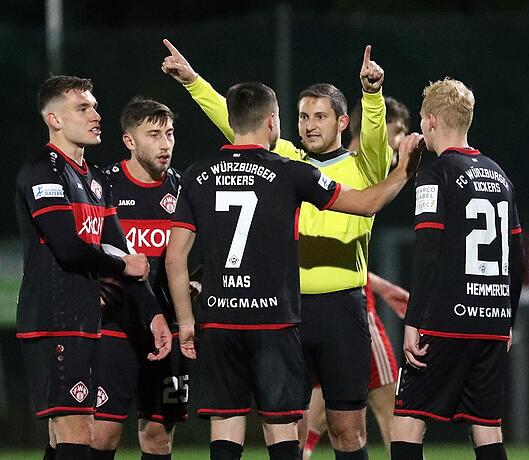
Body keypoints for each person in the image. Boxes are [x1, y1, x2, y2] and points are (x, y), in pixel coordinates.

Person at [164, 81, 422, 460]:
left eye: (320, 116)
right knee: (289, 425)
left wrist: (372, 94)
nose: (309, 125)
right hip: (287, 310)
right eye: (302, 116)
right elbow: (239, 123)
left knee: (348, 428)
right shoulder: (287, 163)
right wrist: (193, 83)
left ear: (342, 122)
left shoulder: (364, 164)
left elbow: (373, 137)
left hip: (341, 310)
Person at [15, 75, 171, 460]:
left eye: (95, 107)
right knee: (77, 432)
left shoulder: (96, 179)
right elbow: (69, 248)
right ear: (54, 120)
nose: (96, 115)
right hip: (53, 319)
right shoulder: (43, 171)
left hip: (84, 320)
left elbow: (123, 250)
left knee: (67, 438)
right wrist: (121, 261)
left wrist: (152, 314)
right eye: (82, 108)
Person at [390, 78, 524, 460]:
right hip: (492, 320)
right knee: (487, 427)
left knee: (408, 420)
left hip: (446, 320)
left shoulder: (435, 174)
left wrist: (414, 321)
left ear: (431, 120)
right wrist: (507, 318)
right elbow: (517, 257)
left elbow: (428, 251)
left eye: (421, 119)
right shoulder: (500, 176)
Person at [304, 97, 412, 459]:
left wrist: (380, 285)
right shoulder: (364, 168)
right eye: (398, 131)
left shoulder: (355, 168)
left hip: (343, 304)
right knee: (388, 403)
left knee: (327, 412)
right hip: (352, 311)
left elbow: (344, 247)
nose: (402, 140)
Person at [91, 97, 190, 460]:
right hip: (112, 327)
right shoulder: (102, 185)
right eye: (154, 135)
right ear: (130, 141)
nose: (165, 144)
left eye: (170, 133)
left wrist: (197, 283)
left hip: (168, 330)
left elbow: (204, 253)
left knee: (157, 437)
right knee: (101, 434)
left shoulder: (184, 191)